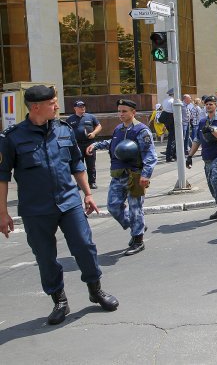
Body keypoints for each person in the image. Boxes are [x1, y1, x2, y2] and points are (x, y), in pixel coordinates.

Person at [0, 85, 118, 325]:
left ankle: (95, 290)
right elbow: (2, 176)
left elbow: (77, 164)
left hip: (69, 202)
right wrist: (3, 213)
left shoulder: (64, 130)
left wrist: (87, 194)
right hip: (36, 209)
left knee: (85, 246)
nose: (57, 106)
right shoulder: (12, 137)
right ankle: (59, 300)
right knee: (45, 256)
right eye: (53, 102)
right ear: (36, 107)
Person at [87, 99, 158, 255]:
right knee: (113, 206)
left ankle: (138, 240)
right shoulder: (119, 129)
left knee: (135, 208)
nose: (121, 114)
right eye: (119, 111)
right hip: (118, 175)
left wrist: (146, 175)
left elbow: (150, 154)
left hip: (135, 175)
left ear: (133, 112)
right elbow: (113, 143)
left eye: (124, 111)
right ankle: (137, 226)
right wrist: (96, 145)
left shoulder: (141, 130)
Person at [186, 96, 217, 221]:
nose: (208, 106)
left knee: (216, 180)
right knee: (211, 185)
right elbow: (197, 140)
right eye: (206, 105)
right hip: (207, 158)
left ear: (216, 105)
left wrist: (212, 130)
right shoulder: (202, 122)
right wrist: (190, 156)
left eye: (211, 104)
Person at [65, 100, 102, 189]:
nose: (82, 108)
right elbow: (66, 130)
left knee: (91, 164)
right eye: (80, 106)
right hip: (77, 144)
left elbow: (99, 126)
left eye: (83, 106)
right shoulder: (70, 119)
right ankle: (80, 183)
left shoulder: (90, 117)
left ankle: (92, 182)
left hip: (89, 143)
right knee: (78, 164)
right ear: (75, 108)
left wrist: (94, 133)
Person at [159, 88, 176, 162]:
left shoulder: (165, 100)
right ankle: (169, 156)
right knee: (172, 138)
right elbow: (174, 113)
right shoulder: (172, 101)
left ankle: (171, 154)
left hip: (165, 118)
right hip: (171, 118)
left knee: (172, 138)